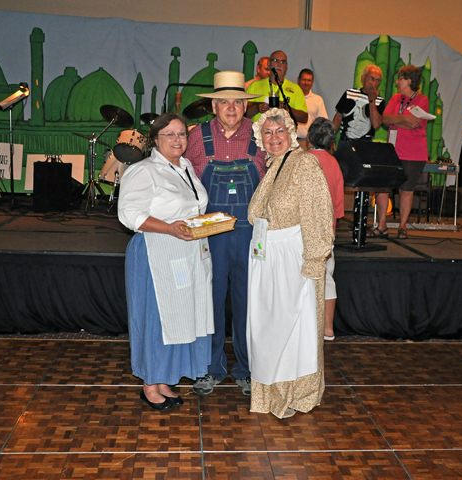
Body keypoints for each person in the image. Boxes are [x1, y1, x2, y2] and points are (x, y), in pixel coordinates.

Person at [118, 112, 214, 412]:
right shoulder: (144, 170)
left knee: (178, 318)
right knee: (156, 319)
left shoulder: (186, 167)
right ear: (155, 140)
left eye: (182, 133)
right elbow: (129, 214)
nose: (177, 139)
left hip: (186, 252)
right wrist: (170, 228)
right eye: (169, 134)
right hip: (156, 252)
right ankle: (150, 384)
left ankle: (163, 379)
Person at [246, 108, 333, 419]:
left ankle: (296, 394)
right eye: (267, 133)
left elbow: (318, 213)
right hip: (268, 258)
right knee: (268, 329)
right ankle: (269, 393)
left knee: (294, 330)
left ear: (292, 133)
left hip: (292, 259)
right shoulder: (274, 166)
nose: (274, 137)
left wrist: (314, 260)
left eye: (279, 131)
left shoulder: (304, 163)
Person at [184, 71, 267, 397]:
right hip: (210, 235)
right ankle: (210, 368)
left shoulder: (261, 135)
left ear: (245, 106)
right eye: (224, 102)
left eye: (237, 102)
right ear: (213, 106)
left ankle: (247, 370)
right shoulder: (196, 137)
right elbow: (182, 181)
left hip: (249, 234)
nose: (231, 107)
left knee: (248, 304)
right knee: (209, 303)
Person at [376, 65, 428, 240]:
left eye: (400, 79)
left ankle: (403, 226)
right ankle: (381, 225)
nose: (397, 82)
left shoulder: (422, 100)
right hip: (392, 151)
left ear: (409, 81)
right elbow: (385, 118)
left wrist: (395, 120)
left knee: (406, 190)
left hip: (413, 153)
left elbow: (416, 123)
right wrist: (405, 119)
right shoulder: (395, 98)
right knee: (382, 188)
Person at [306, 117, 344, 341]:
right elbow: (338, 205)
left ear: (308, 138)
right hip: (326, 230)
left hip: (303, 230)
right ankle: (328, 328)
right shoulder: (334, 163)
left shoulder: (302, 161)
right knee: (327, 277)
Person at [246, 51, 308, 125]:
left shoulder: (295, 89)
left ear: (286, 66)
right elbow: (243, 113)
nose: (279, 64)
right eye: (276, 60)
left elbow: (304, 118)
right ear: (269, 64)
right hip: (258, 131)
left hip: (284, 131)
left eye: (283, 62)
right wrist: (257, 108)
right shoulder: (255, 86)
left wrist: (286, 108)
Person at [332, 64, 385, 142]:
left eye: (377, 80)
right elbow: (338, 117)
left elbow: (376, 124)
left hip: (365, 143)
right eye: (371, 78)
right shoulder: (349, 93)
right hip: (345, 141)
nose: (374, 83)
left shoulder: (380, 101)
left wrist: (372, 100)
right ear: (363, 78)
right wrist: (331, 138)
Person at [295, 69, 328, 145]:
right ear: (298, 80)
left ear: (312, 82)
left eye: (309, 80)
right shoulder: (291, 97)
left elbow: (322, 122)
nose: (306, 83)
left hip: (308, 142)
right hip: (290, 141)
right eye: (304, 80)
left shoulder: (318, 100)